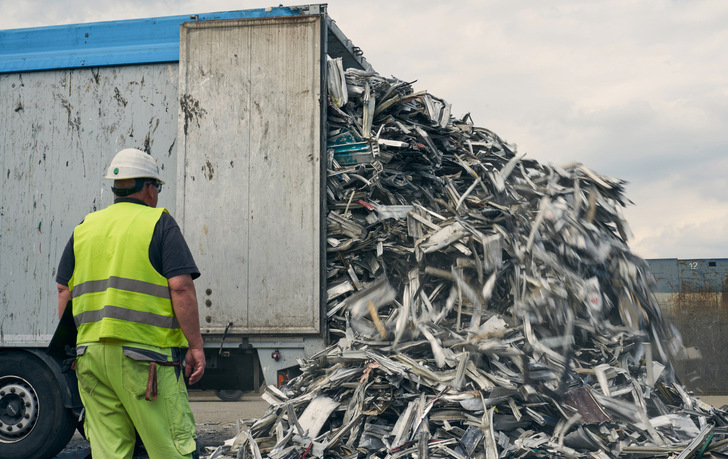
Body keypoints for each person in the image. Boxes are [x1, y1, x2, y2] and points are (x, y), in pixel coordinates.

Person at [56, 148, 206, 459]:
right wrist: (195, 346)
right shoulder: (159, 223)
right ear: (150, 188)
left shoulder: (86, 226)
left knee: (110, 452)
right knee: (172, 449)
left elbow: (63, 290)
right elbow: (180, 287)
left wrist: (72, 347)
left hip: (91, 358)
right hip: (145, 357)